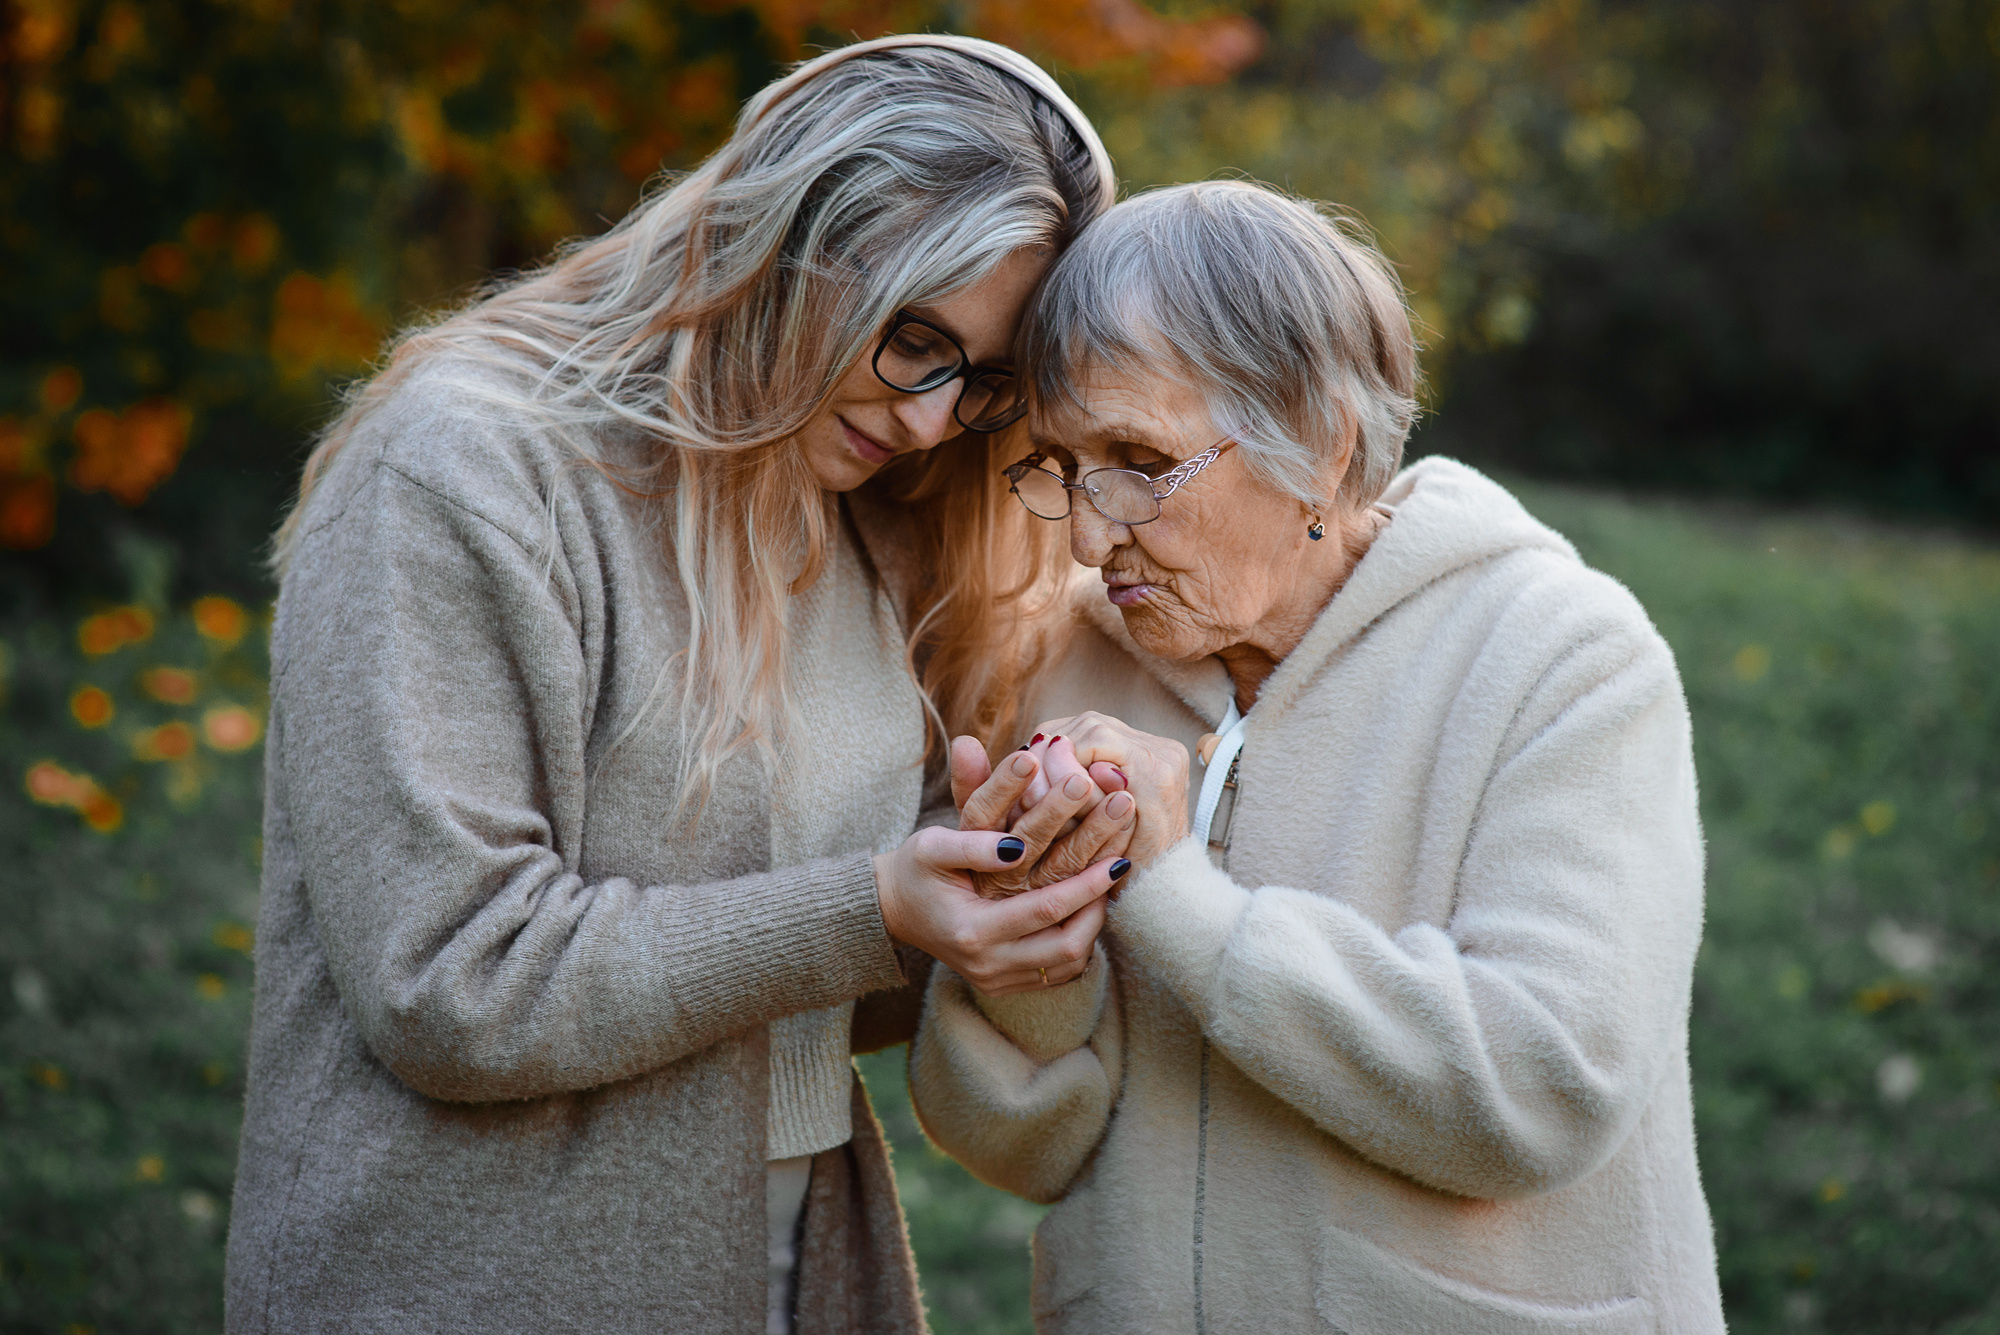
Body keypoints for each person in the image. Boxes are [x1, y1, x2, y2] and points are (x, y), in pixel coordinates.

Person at [226, 36, 1131, 1335]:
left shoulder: (874, 515)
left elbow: (836, 977)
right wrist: (877, 902)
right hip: (470, 1277)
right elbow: (449, 979)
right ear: (784, 233)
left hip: (780, 1264)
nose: (933, 421)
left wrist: (1018, 871)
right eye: (913, 337)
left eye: (980, 381)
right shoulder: (465, 469)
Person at [911, 182, 1728, 1332]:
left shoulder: (1562, 660)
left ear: (1317, 441)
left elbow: (1543, 1089)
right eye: (1061, 467)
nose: (1090, 538)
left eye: (1138, 460)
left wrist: (1177, 893)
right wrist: (1027, 959)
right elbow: (1012, 1151)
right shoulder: (1066, 672)